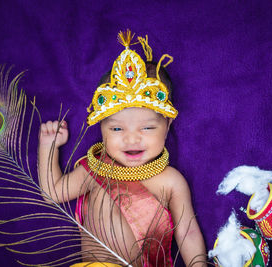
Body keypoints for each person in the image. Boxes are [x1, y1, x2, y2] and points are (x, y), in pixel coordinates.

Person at [38, 30, 207, 267]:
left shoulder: (171, 181)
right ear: (102, 129)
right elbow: (53, 193)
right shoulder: (95, 170)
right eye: (117, 129)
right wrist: (48, 146)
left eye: (147, 128)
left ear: (167, 126)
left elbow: (188, 233)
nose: (131, 140)